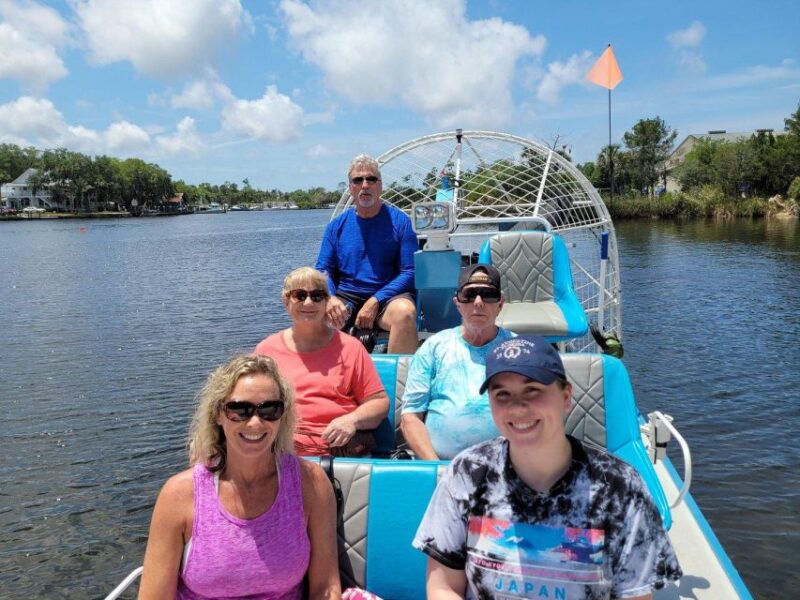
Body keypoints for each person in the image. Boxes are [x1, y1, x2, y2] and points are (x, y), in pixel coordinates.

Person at [413, 336, 682, 599]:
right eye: (502, 394)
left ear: (566, 397)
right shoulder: (466, 473)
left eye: (533, 391)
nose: (518, 408)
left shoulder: (621, 486)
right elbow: (443, 587)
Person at [138, 354, 340, 599]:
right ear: (218, 415)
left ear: (282, 415)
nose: (255, 423)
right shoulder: (178, 496)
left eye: (269, 409)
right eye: (239, 410)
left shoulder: (311, 483)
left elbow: (325, 588)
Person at [254, 267, 389, 456]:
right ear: (286, 301)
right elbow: (249, 401)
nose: (308, 302)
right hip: (280, 450)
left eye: (317, 296)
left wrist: (352, 420)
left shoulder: (350, 348)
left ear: (327, 301)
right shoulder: (266, 350)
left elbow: (379, 403)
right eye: (299, 295)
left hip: (336, 450)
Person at [400, 264, 514, 459]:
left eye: (488, 295)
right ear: (457, 303)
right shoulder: (433, 347)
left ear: (500, 304)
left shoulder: (518, 349)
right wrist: (436, 469)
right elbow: (410, 416)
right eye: (469, 295)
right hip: (442, 470)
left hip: (507, 469)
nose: (478, 302)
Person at [316, 154, 418, 354]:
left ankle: (398, 381)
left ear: (380, 186)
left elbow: (410, 271)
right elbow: (323, 269)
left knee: (405, 314)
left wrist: (375, 300)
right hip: (347, 297)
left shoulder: (401, 223)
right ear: (350, 187)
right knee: (315, 315)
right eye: (358, 180)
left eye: (371, 179)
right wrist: (331, 298)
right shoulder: (335, 227)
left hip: (388, 298)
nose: (365, 185)